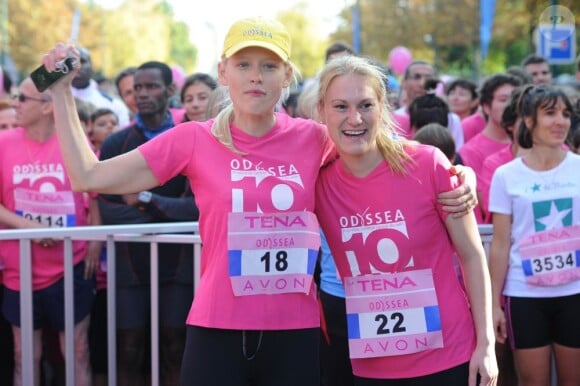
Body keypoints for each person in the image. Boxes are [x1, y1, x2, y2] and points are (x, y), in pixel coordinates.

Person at [41, 17, 477, 386]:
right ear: (223, 72)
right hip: (216, 326)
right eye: (243, 64)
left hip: (297, 331)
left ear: (287, 77)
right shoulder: (195, 139)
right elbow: (88, 176)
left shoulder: (314, 138)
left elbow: (387, 154)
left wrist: (460, 174)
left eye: (269, 66)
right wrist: (60, 93)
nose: (255, 76)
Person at [314, 55, 497, 386]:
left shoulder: (428, 163)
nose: (354, 118)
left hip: (450, 355)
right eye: (340, 106)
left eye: (366, 104)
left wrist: (486, 345)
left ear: (382, 106)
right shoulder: (318, 181)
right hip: (373, 365)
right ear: (321, 111)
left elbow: (472, 255)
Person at [97, 60, 198, 386]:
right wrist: (165, 215)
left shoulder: (190, 140)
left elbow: (196, 208)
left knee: (175, 348)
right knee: (129, 349)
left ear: (170, 91)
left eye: (151, 86)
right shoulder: (116, 143)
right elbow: (109, 207)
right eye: (137, 87)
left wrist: (147, 200)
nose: (142, 94)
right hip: (130, 262)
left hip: (179, 263)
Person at [0, 77, 97, 386]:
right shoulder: (3, 143)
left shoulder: (74, 142)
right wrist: (29, 227)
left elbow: (94, 195)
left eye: (22, 98)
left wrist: (94, 241)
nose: (14, 102)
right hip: (20, 270)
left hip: (71, 266)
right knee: (24, 354)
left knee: (78, 351)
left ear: (46, 106)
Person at [488, 85, 580, 386]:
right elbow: (500, 245)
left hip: (574, 294)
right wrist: (493, 305)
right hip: (525, 297)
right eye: (550, 113)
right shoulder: (506, 176)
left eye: (566, 114)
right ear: (529, 121)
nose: (560, 122)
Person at [456, 73, 522, 223]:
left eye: (516, 100)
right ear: (486, 106)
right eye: (503, 100)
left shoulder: (534, 145)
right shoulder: (469, 152)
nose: (511, 106)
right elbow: (484, 206)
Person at [394, 62, 464, 150]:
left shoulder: (451, 119)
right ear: (404, 82)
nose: (422, 83)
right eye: (417, 77)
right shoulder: (392, 119)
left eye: (428, 78)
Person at [72, 47, 130, 128]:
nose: (77, 67)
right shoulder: (52, 104)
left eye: (82, 61)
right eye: (71, 62)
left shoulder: (114, 105)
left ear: (92, 67)